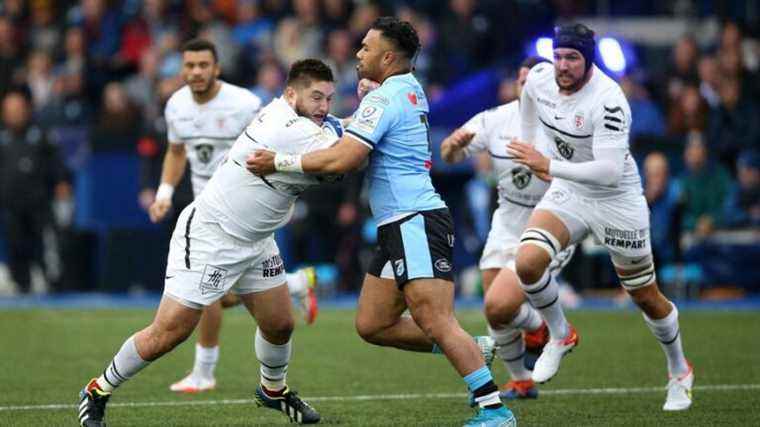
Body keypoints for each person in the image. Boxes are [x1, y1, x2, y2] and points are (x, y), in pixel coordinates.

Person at [248, 17, 515, 427]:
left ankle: (494, 409)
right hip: (399, 224)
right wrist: (343, 118)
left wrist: (280, 161)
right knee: (372, 323)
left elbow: (346, 158)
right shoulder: (406, 89)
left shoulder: (384, 98)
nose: (358, 53)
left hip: (414, 220)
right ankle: (472, 349)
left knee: (436, 320)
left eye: (366, 47)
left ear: (387, 57)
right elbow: (359, 133)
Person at [77, 58, 345, 426]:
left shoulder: (304, 121)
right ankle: (97, 390)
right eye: (316, 98)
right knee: (169, 333)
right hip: (212, 234)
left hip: (256, 238)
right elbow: (342, 158)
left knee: (280, 322)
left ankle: (273, 390)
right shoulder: (287, 126)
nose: (324, 108)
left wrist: (340, 126)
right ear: (290, 94)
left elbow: (336, 141)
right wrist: (374, 114)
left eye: (330, 99)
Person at [506, 23, 693, 411]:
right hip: (571, 190)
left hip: (615, 198)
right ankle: (560, 334)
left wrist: (548, 165)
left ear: (589, 59)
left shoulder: (608, 100)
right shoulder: (540, 77)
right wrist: (527, 145)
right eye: (558, 56)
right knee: (527, 262)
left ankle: (679, 370)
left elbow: (608, 171)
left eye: (572, 57)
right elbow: (526, 97)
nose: (562, 65)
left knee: (644, 295)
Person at [148, 38, 319, 394]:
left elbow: (282, 135)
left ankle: (204, 373)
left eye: (202, 65)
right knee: (220, 295)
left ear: (217, 69)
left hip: (244, 209)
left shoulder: (244, 103)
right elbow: (176, 151)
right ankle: (297, 285)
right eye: (189, 65)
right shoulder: (176, 106)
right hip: (206, 208)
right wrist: (164, 193)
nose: (195, 72)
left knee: (207, 294)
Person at [440, 56, 576, 401]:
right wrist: (454, 147)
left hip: (552, 220)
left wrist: (549, 169)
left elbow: (588, 179)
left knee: (498, 305)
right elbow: (448, 156)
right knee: (498, 310)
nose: (525, 84)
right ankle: (521, 380)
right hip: (507, 220)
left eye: (534, 79)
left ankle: (542, 327)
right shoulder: (495, 119)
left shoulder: (568, 124)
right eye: (521, 78)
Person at [0, 88, 71, 293]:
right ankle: (21, 285)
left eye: (18, 109)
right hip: (11, 205)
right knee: (15, 245)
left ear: (27, 110)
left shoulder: (40, 136)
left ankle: (54, 286)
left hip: (39, 203)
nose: (15, 114)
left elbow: (57, 164)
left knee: (47, 247)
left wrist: (61, 183)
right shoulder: (2, 138)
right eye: (10, 110)